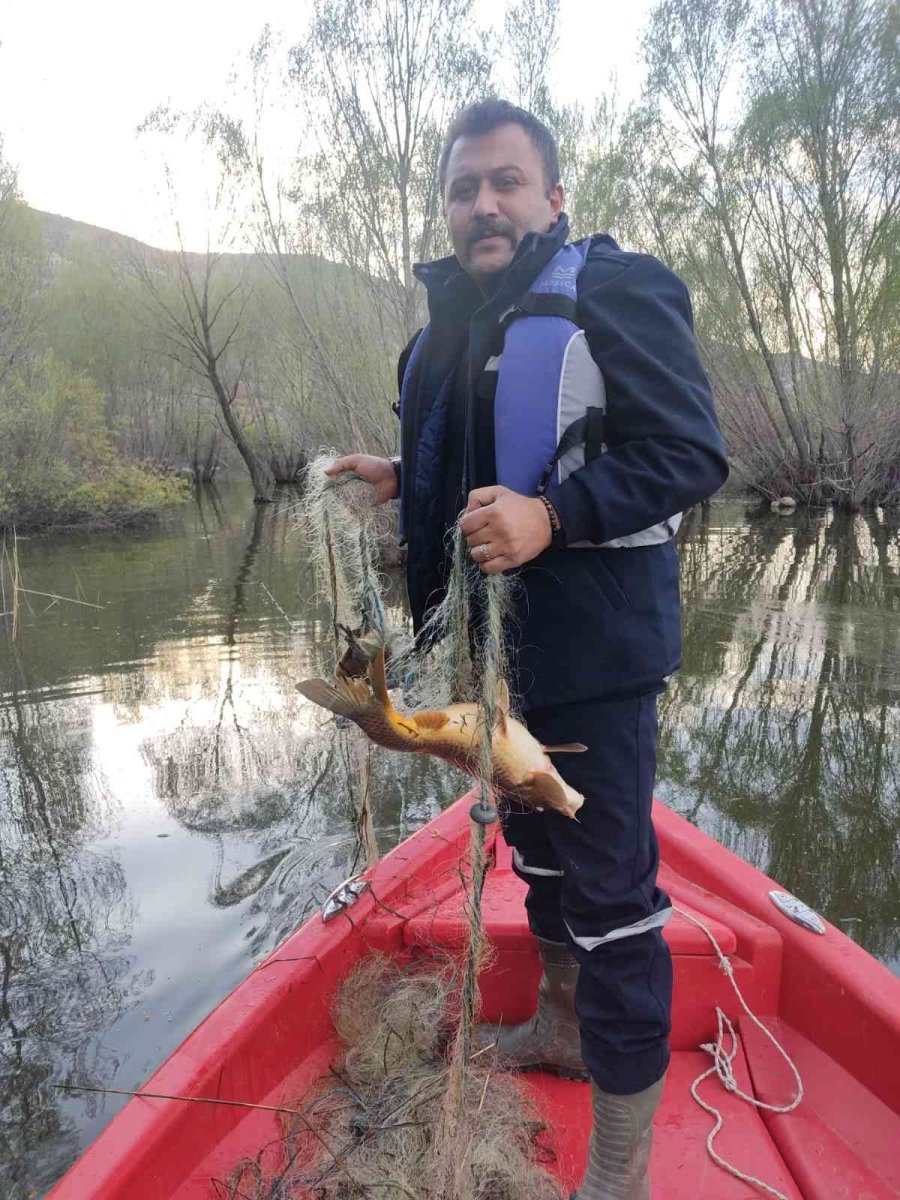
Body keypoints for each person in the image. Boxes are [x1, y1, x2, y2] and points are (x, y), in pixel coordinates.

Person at [326, 98, 728, 1200]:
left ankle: (619, 1172)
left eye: (506, 182)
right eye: (464, 188)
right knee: (537, 863)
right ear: (448, 208)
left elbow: (691, 453)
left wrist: (557, 518)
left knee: (611, 901)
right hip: (496, 672)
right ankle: (558, 1027)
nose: (483, 204)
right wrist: (404, 486)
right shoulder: (448, 327)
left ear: (553, 197)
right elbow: (482, 476)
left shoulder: (615, 291)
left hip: (595, 662)